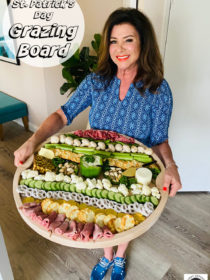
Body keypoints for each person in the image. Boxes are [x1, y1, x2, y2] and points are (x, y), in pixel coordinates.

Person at [14, 8, 182, 280]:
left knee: (123, 212)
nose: (120, 48)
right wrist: (33, 140)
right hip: (93, 161)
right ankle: (106, 255)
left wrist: (171, 165)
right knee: (98, 210)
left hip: (135, 169)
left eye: (128, 39)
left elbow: (160, 140)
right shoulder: (96, 81)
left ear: (143, 43)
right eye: (113, 41)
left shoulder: (158, 90)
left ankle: (120, 256)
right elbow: (62, 115)